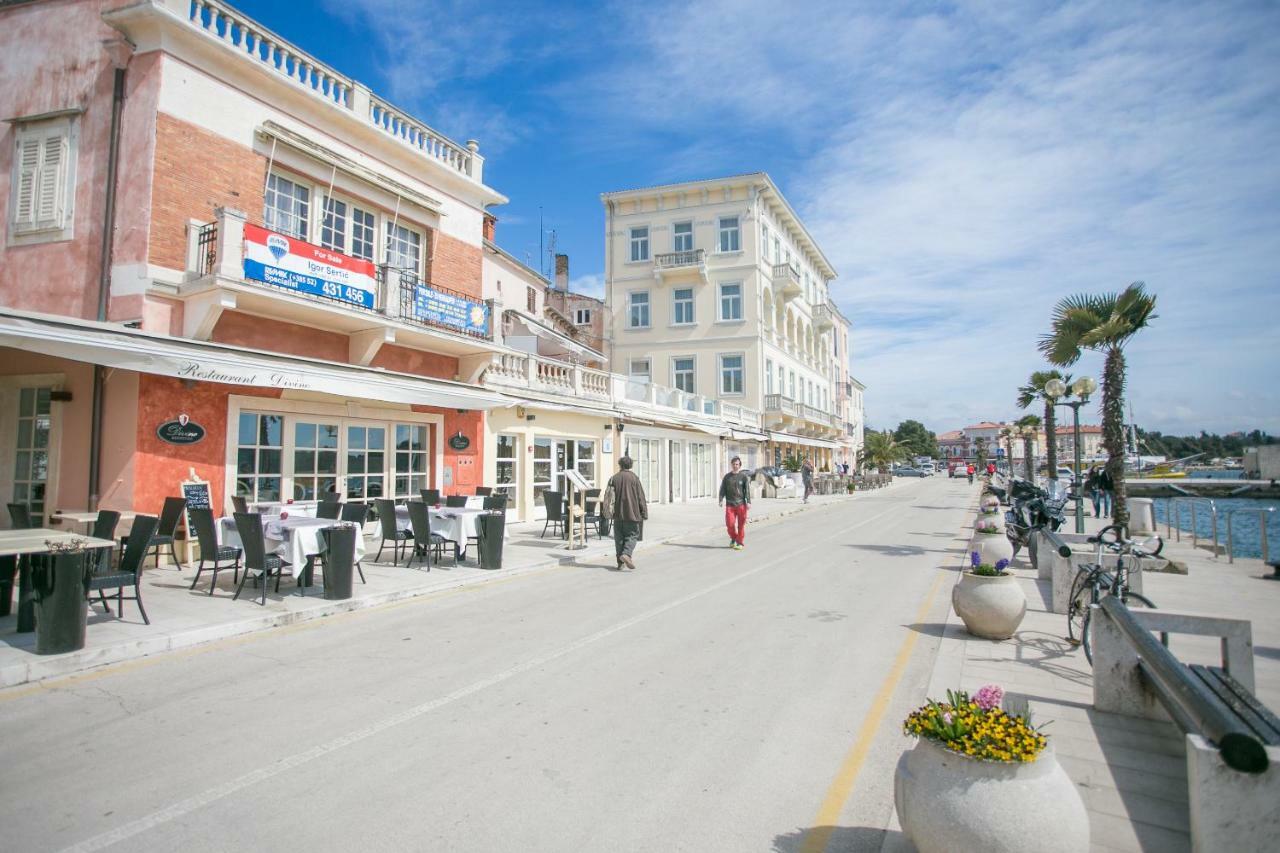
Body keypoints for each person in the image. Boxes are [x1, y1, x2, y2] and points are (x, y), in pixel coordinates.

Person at [604, 456, 647, 570]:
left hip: (617, 514)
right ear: (630, 465)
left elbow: (608, 497)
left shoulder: (614, 478)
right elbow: (640, 497)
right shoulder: (634, 478)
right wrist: (644, 512)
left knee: (619, 539)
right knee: (632, 535)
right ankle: (627, 554)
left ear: (620, 465)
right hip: (632, 513)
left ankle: (620, 563)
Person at [719, 456, 752, 550]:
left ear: (740, 465)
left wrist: (748, 501)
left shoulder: (743, 477)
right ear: (731, 465)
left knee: (741, 525)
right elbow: (722, 489)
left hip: (741, 504)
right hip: (730, 505)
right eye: (733, 464)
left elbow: (747, 490)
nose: (735, 466)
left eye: (737, 464)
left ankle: (740, 542)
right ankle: (734, 538)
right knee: (730, 524)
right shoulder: (727, 477)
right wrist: (721, 499)